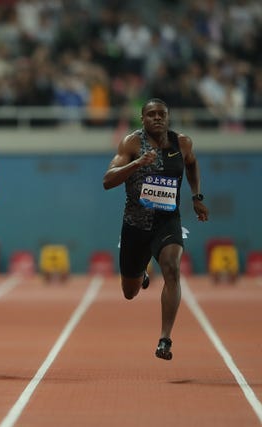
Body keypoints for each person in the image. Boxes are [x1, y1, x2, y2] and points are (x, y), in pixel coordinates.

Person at [102, 98, 209, 360]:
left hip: (167, 220)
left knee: (172, 269)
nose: (157, 118)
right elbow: (107, 180)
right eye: (152, 114)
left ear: (168, 117)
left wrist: (197, 197)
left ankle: (164, 339)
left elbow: (192, 164)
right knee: (130, 292)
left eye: (162, 114)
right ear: (143, 119)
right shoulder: (132, 143)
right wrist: (137, 163)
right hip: (135, 224)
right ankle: (140, 273)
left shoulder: (182, 142)